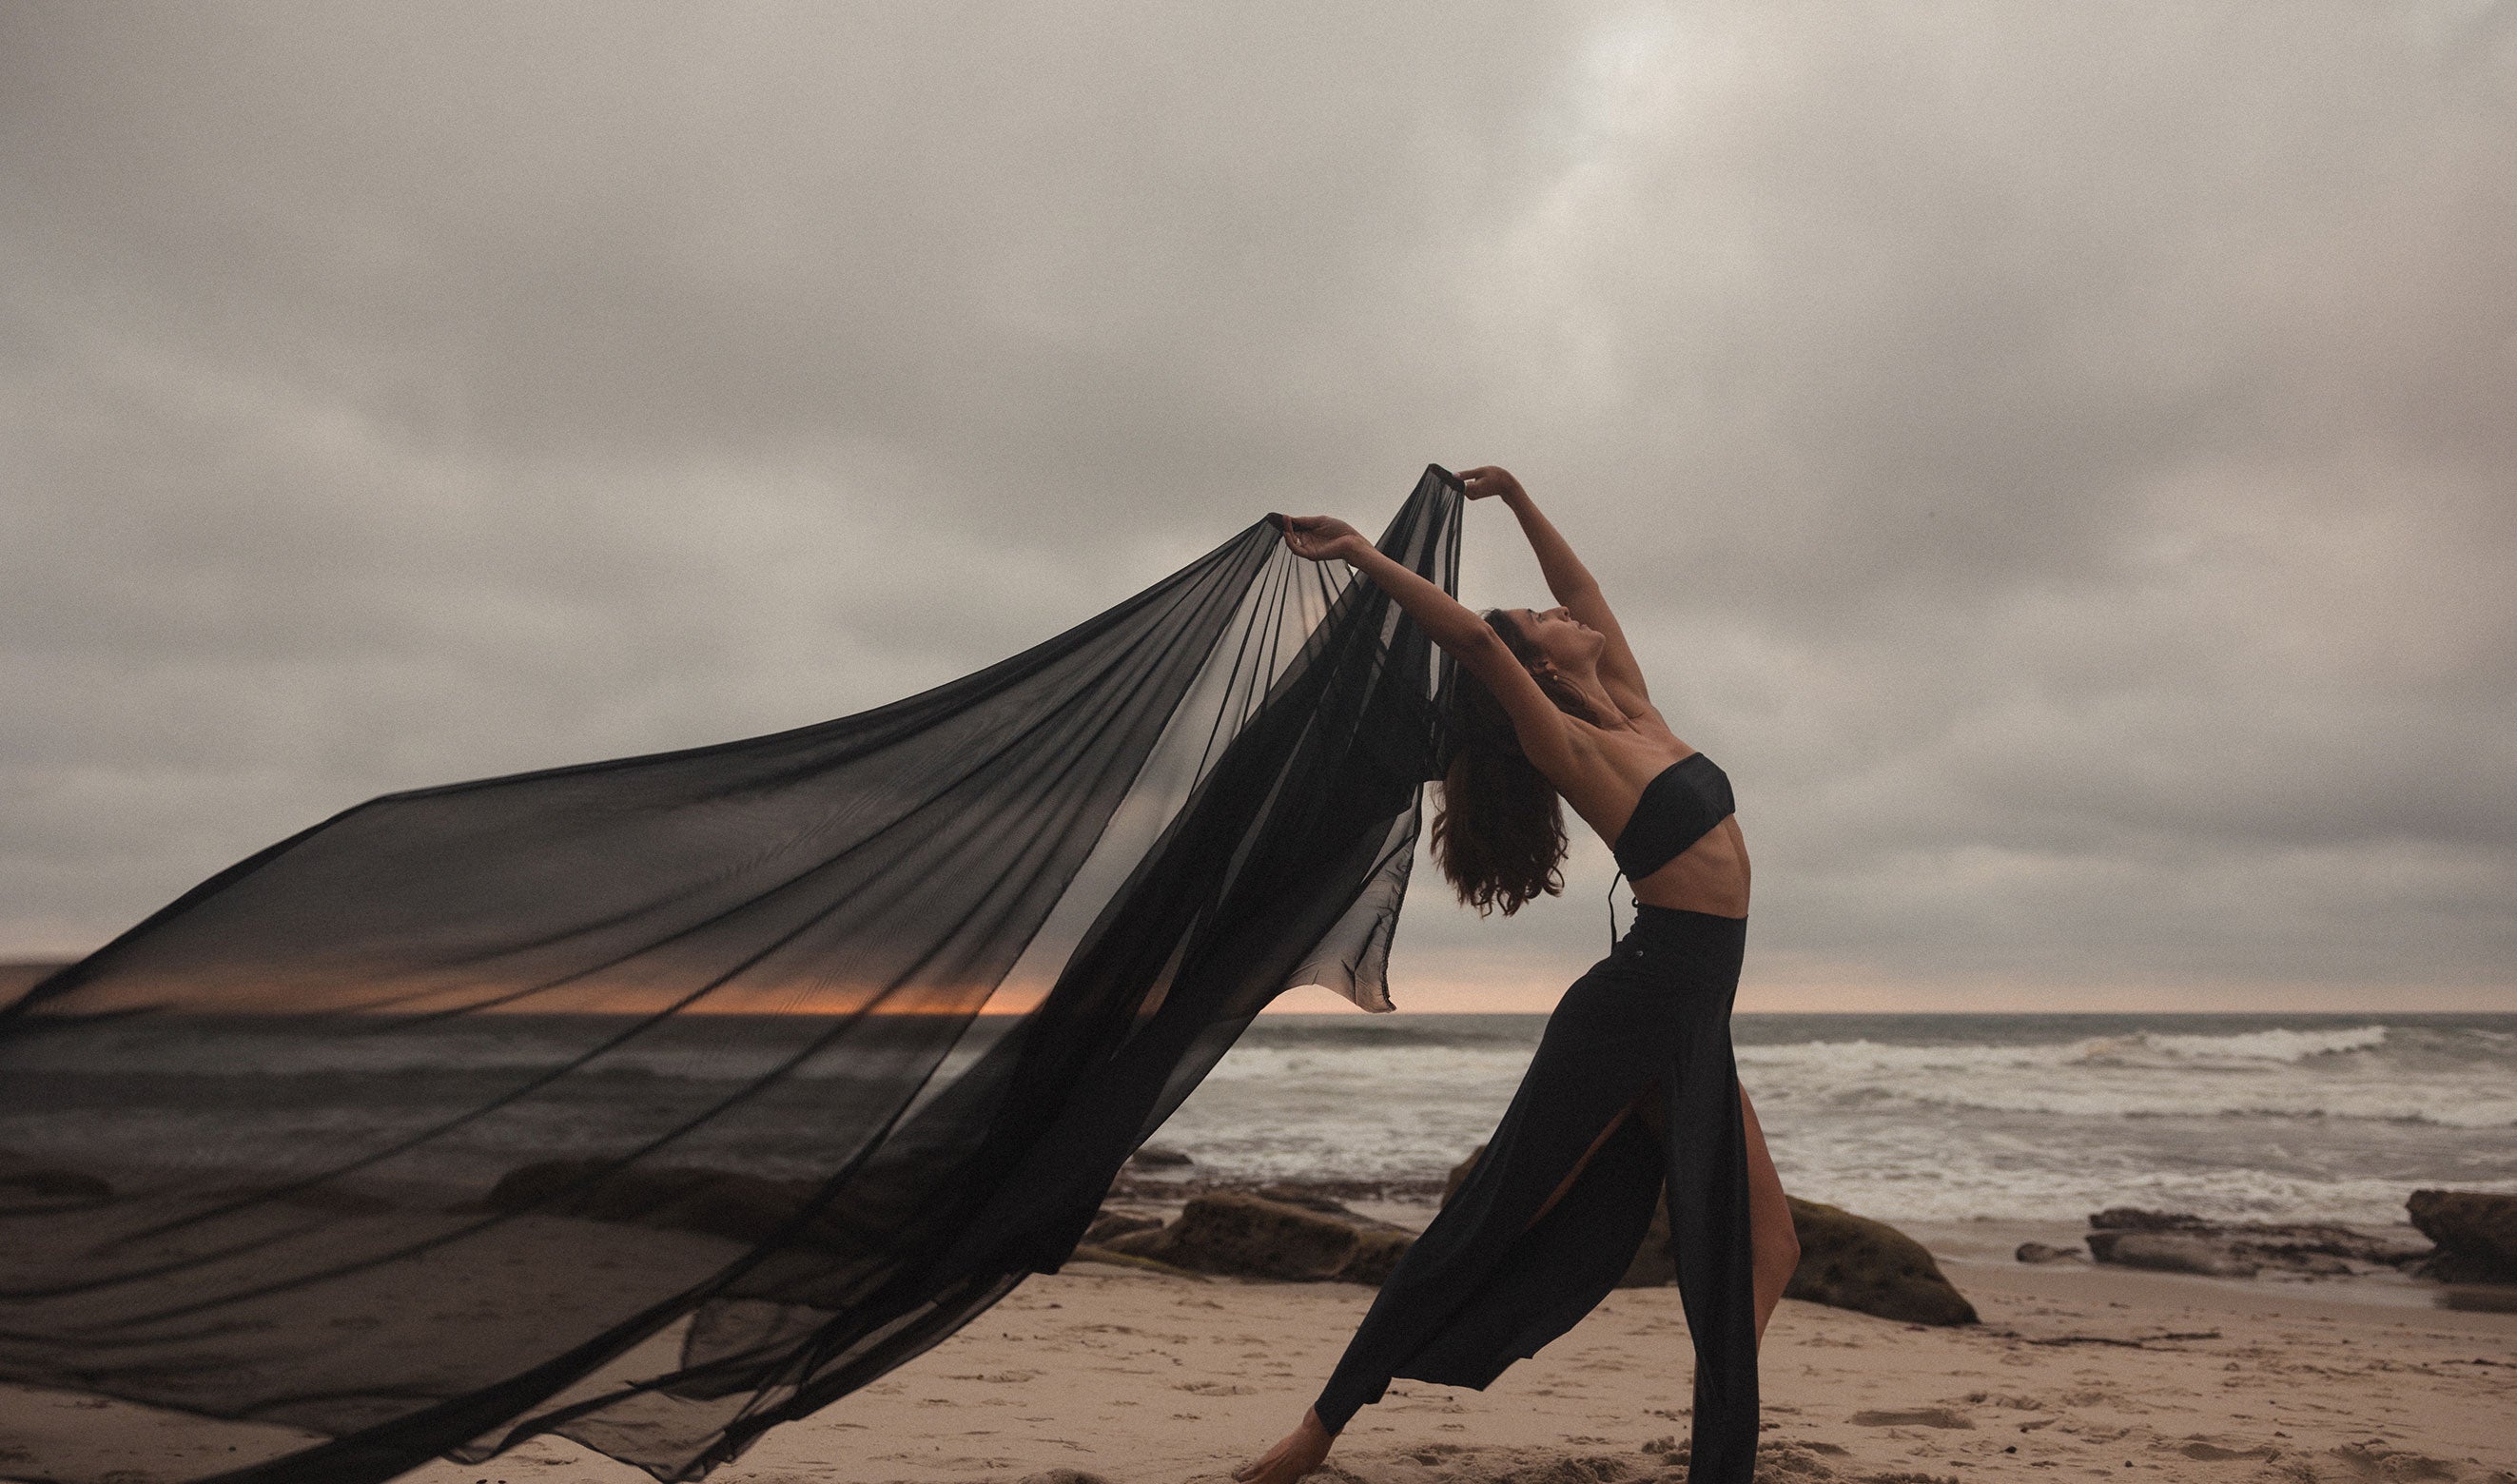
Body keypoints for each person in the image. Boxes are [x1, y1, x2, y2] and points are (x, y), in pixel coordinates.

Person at [1236, 467, 1798, 1484]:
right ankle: (1319, 1429)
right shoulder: (1574, 744)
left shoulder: (1631, 709)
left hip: (1691, 1016)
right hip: (1632, 1013)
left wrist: (1523, 499)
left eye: (1548, 613)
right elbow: (1480, 645)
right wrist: (1365, 554)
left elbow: (1582, 601)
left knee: (1771, 1250)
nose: (1559, 614)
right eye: (1542, 622)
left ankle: (1725, 1431)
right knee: (1493, 1218)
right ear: (1539, 671)